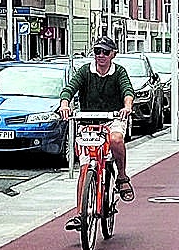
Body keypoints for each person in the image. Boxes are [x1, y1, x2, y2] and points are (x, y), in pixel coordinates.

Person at [58, 35, 136, 201]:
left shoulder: (119, 71)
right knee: (85, 167)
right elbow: (69, 89)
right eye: (97, 51)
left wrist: (127, 106)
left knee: (116, 140)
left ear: (113, 54)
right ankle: (81, 213)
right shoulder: (85, 71)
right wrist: (65, 104)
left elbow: (127, 90)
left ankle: (122, 177)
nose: (100, 55)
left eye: (105, 52)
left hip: (112, 118)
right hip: (87, 121)